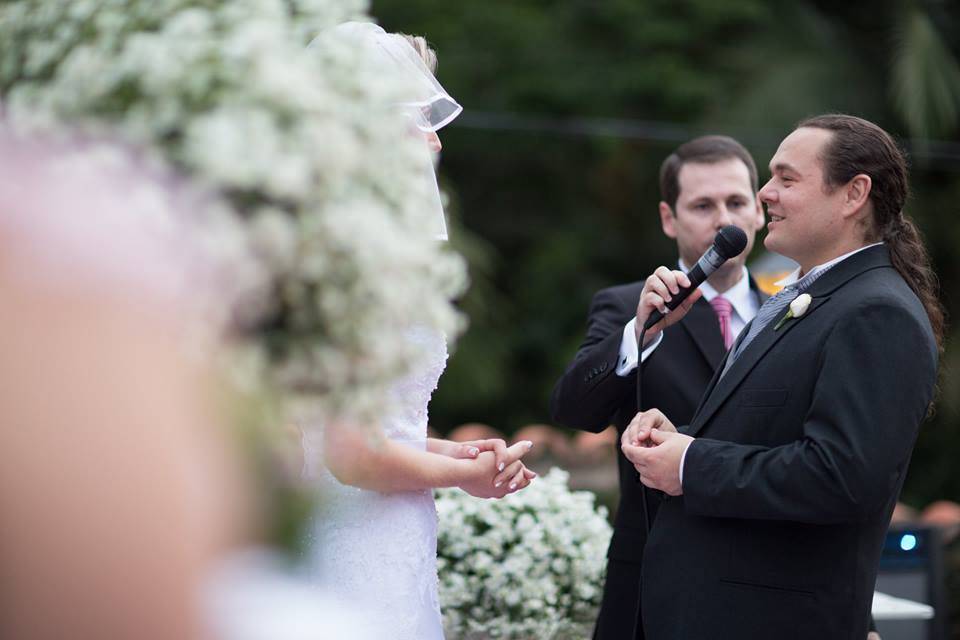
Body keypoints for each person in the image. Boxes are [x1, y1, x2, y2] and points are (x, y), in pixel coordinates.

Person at [622, 114, 941, 639]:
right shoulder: (807, 297)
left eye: (786, 178)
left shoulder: (876, 312)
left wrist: (691, 463)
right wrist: (681, 441)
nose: (765, 193)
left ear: (853, 194)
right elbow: (770, 434)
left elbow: (842, 477)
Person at [300, 23, 536, 640]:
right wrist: (465, 477)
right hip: (351, 547)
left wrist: (453, 452)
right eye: (415, 115)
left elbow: (352, 428)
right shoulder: (351, 267)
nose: (434, 140)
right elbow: (350, 453)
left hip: (373, 534)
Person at [550, 135, 766, 639]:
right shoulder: (629, 306)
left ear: (758, 211)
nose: (723, 219)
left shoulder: (795, 312)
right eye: (703, 205)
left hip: (769, 583)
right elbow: (571, 408)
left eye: (736, 202)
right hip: (658, 588)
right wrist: (640, 332)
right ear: (669, 218)